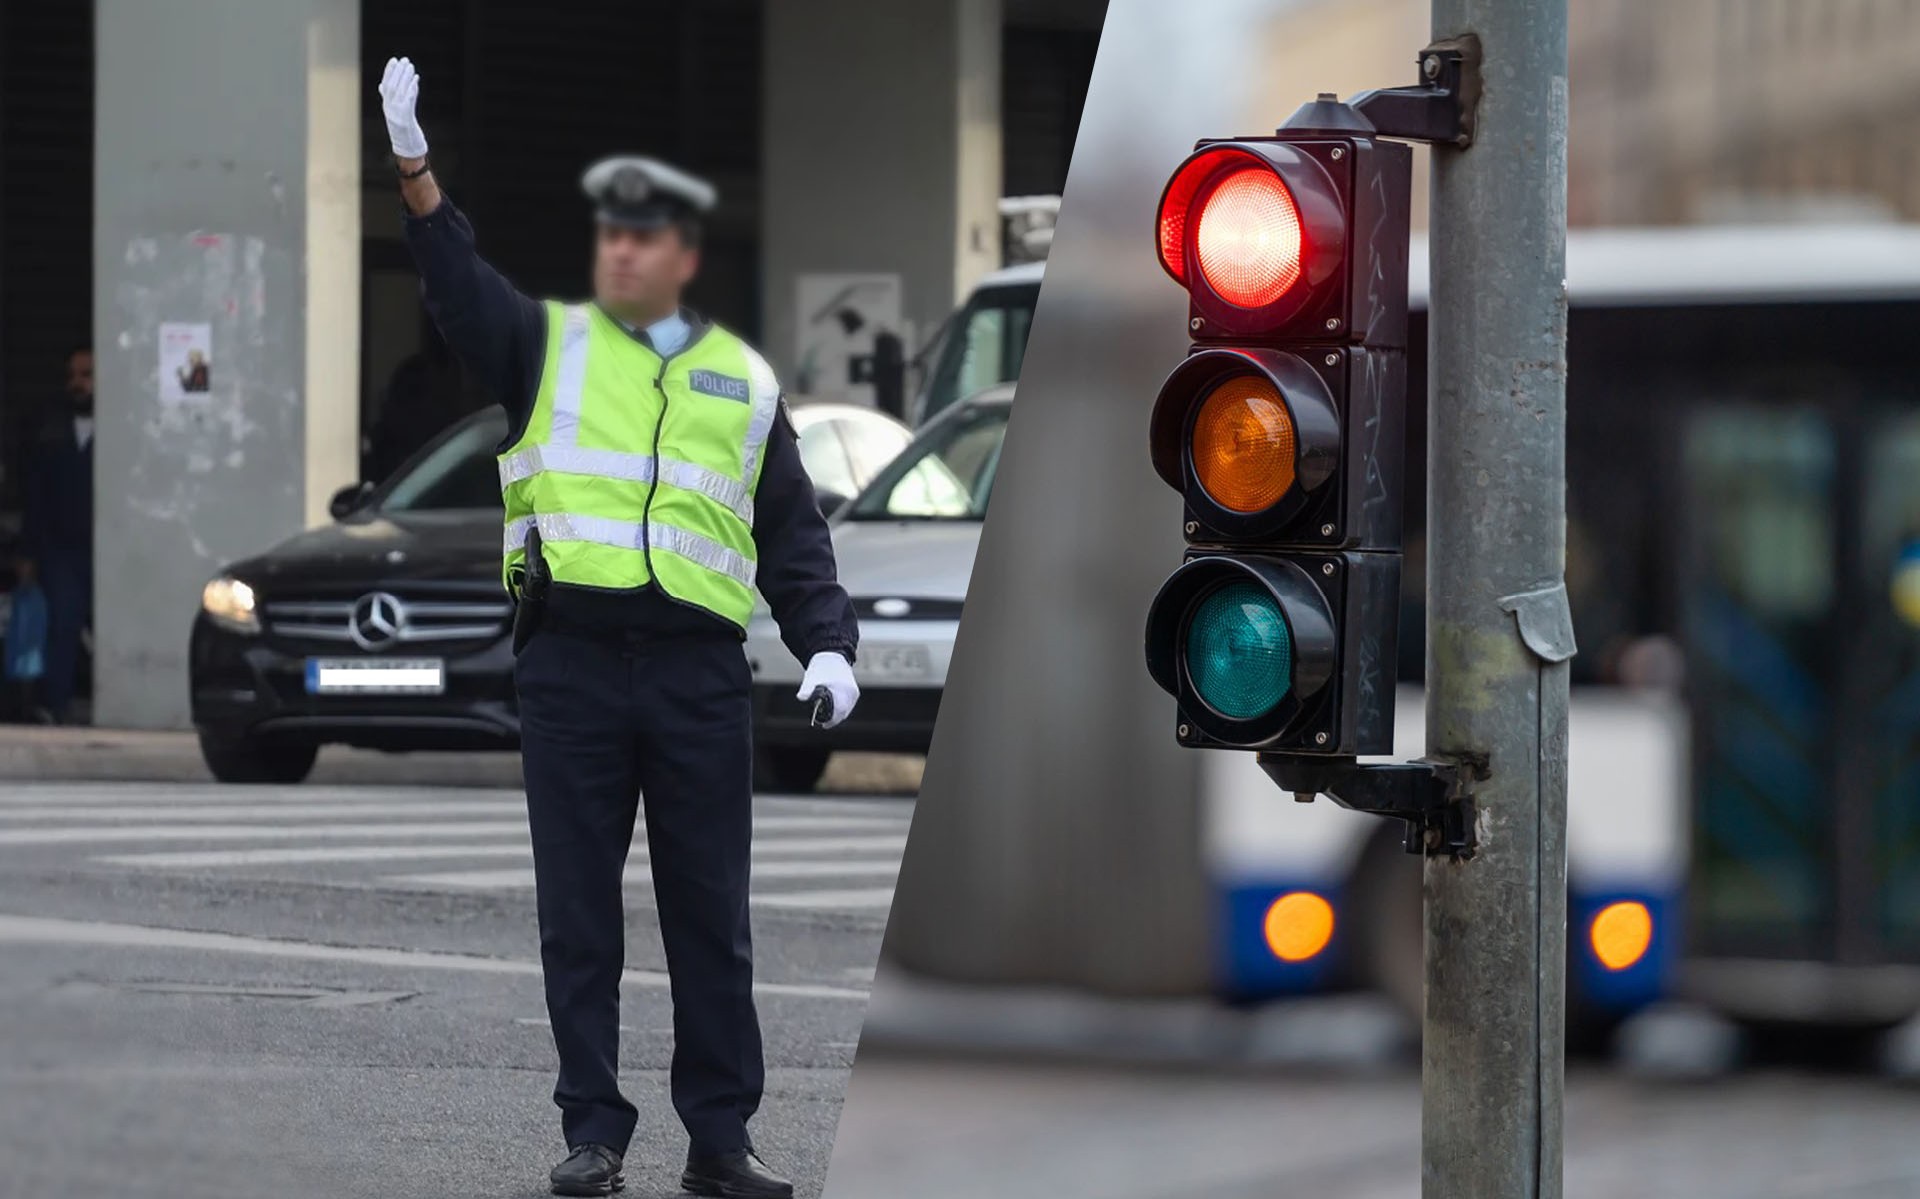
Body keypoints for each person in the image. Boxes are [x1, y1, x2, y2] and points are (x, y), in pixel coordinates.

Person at [379, 57, 861, 1199]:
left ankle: (720, 1141)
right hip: (575, 665)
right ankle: (593, 1128)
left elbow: (789, 526)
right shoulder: (547, 345)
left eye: (649, 239)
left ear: (685, 257)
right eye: (615, 239)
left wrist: (826, 638)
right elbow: (459, 286)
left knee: (713, 921)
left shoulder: (741, 379)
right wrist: (414, 170)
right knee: (580, 918)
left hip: (698, 672)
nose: (628, 255)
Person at [17, 348, 95, 724]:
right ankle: (56, 705)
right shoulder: (51, 431)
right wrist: (29, 554)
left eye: (86, 374)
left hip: (111, 548)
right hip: (63, 549)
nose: (77, 384)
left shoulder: (121, 433)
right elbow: (36, 496)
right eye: (72, 376)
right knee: (63, 626)